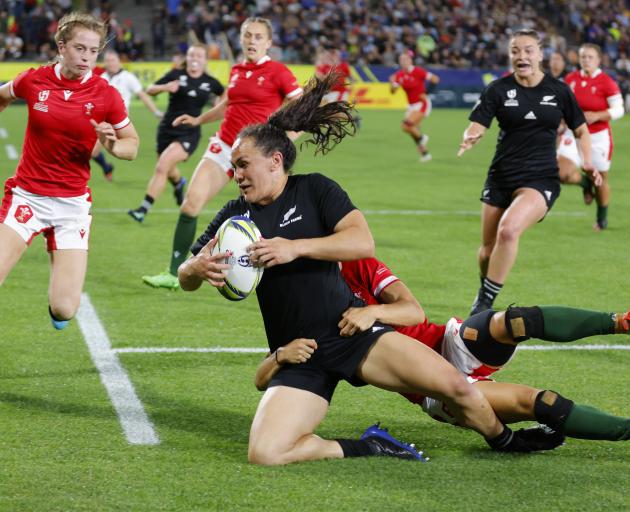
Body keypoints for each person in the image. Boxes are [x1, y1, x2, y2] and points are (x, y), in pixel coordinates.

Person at [178, 74, 550, 466]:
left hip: (351, 332)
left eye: (242, 165)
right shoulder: (234, 215)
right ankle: (372, 445)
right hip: (299, 352)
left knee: (456, 387)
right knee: (265, 453)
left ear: (275, 161)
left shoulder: (315, 189)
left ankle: (506, 441)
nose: (235, 175)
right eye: (233, 166)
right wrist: (195, 268)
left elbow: (362, 242)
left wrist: (295, 248)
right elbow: (187, 275)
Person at [255, 257, 630, 446]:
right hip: (435, 391)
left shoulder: (356, 262)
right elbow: (262, 379)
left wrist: (373, 312)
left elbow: (412, 311)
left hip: (449, 343)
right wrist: (278, 357)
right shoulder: (302, 306)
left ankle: (621, 321)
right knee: (547, 404)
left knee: (516, 320)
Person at [0, 12, 139, 330]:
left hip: (72, 206)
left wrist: (114, 146)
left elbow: (132, 143)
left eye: (93, 51)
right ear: (61, 46)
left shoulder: (106, 95)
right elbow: (4, 94)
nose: (87, 57)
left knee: (65, 309)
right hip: (27, 197)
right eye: (80, 48)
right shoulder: (33, 80)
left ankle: (58, 303)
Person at [141, 17, 302, 290]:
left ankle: (281, 276)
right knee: (190, 204)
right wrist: (197, 121)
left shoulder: (278, 71)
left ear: (269, 43)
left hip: (256, 154)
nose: (252, 41)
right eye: (248, 35)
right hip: (225, 143)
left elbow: (300, 104)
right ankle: (173, 272)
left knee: (267, 218)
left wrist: (286, 138)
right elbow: (229, 103)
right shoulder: (237, 70)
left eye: (258, 37)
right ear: (241, 39)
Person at [458, 28, 600, 315]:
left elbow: (582, 130)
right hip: (501, 175)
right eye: (515, 51)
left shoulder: (559, 91)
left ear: (540, 54)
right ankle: (485, 290)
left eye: (528, 50)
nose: (521, 55)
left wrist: (587, 161)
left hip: (541, 177)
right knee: (487, 250)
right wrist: (471, 135)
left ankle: (482, 305)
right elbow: (477, 124)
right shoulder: (497, 89)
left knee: (508, 232)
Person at [127, 44, 224, 223]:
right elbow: (150, 90)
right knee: (168, 168)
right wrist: (165, 87)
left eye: (199, 56)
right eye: (192, 55)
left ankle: (142, 209)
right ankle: (179, 183)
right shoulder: (176, 75)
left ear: (204, 60)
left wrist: (218, 105)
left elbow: (225, 96)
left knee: (162, 166)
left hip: (188, 133)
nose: (195, 58)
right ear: (187, 58)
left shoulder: (211, 82)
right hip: (166, 129)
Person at [557, 43, 623, 231]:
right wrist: (561, 122)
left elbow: (619, 109)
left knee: (601, 180)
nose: (586, 60)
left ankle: (602, 218)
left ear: (598, 60)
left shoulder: (606, 81)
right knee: (560, 173)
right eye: (583, 56)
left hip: (598, 137)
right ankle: (586, 183)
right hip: (573, 133)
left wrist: (597, 115)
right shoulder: (570, 79)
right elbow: (562, 105)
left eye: (590, 57)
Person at [91, 49, 163, 181]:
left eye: (113, 60)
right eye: (107, 61)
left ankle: (89, 175)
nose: (110, 63)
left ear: (118, 61)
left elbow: (142, 95)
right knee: (92, 151)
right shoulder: (102, 78)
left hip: (118, 121)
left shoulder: (128, 77)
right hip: (101, 120)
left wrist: (156, 112)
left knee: (93, 150)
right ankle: (107, 168)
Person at [389, 50, 439, 163]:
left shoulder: (418, 71)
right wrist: (392, 84)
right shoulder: (399, 75)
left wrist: (426, 93)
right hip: (411, 106)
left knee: (406, 125)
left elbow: (435, 79)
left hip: (422, 103)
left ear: (410, 60)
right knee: (412, 130)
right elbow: (393, 91)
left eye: (405, 59)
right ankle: (426, 154)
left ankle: (422, 138)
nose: (403, 62)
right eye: (401, 60)